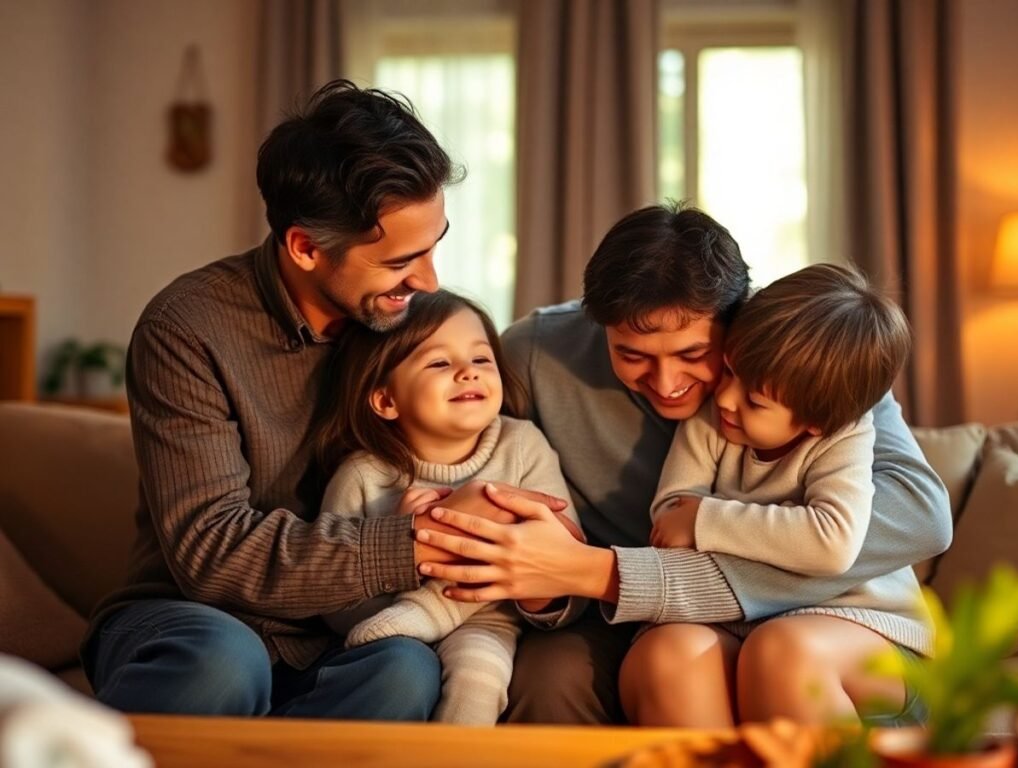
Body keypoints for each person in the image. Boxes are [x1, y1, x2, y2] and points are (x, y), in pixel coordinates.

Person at [411, 203, 952, 725]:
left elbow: (921, 518)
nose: (667, 384)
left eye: (694, 356)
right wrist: (434, 497)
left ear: (739, 320)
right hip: (649, 617)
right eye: (633, 356)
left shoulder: (802, 355)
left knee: (785, 652)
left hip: (824, 615)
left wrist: (613, 572)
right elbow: (474, 455)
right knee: (565, 675)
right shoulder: (536, 352)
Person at [81, 79, 493, 720]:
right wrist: (410, 545)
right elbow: (210, 552)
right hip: (192, 620)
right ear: (304, 247)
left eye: (435, 244)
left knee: (407, 671)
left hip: (338, 635)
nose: (428, 280)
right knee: (225, 658)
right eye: (398, 262)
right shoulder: (187, 328)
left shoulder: (414, 323)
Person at [626, 262, 925, 726]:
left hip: (861, 628)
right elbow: (669, 520)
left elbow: (831, 542)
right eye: (729, 372)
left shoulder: (843, 435)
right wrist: (695, 520)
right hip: (735, 624)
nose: (725, 399)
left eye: (756, 401)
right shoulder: (713, 418)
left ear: (818, 422)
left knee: (783, 650)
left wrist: (706, 520)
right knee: (670, 653)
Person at [312, 289, 585, 725]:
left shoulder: (523, 444)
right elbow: (338, 606)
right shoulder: (363, 475)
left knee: (478, 681)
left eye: (481, 360)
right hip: (393, 627)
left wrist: (536, 583)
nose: (467, 373)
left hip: (487, 618)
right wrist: (400, 547)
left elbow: (568, 549)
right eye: (440, 363)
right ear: (385, 399)